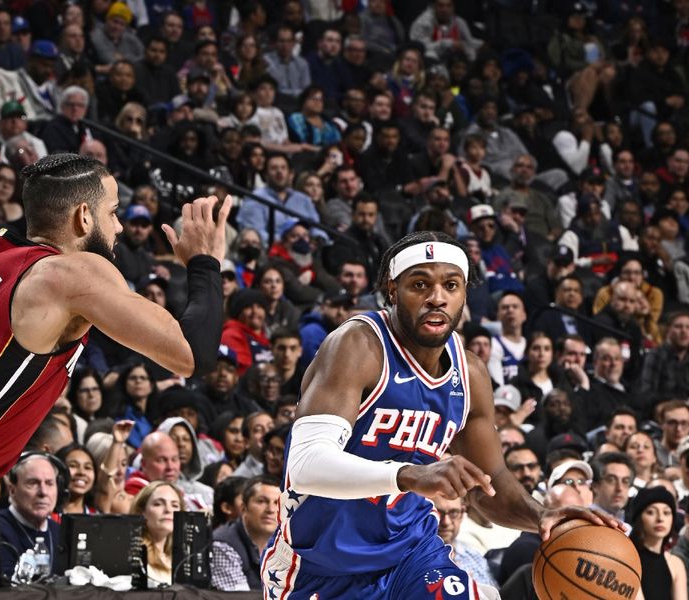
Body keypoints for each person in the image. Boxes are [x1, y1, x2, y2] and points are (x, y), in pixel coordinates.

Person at [261, 231, 623, 599]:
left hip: (412, 554)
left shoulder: (471, 375)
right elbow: (305, 466)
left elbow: (489, 482)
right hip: (321, 565)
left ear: (464, 294)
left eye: (451, 285)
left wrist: (541, 515)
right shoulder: (358, 345)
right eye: (420, 285)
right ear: (392, 290)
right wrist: (409, 475)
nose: (437, 298)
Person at [0, 153, 229, 597]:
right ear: (83, 215)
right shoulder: (70, 272)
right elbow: (191, 356)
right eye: (112, 213)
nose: (116, 229)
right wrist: (206, 262)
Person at [211, 474, 280, 591]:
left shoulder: (288, 541)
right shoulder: (223, 544)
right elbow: (238, 597)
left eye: (277, 503)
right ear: (243, 508)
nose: (271, 510)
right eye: (262, 501)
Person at [0, 454, 62, 578]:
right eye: (33, 483)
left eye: (49, 483)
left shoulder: (61, 532)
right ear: (12, 490)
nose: (43, 492)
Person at [627, 486, 687, 600]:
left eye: (666, 512)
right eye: (651, 512)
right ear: (639, 518)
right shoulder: (627, 559)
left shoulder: (676, 563)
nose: (660, 518)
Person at [130, 481, 184, 586]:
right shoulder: (133, 557)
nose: (168, 510)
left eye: (175, 505)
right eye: (158, 504)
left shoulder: (183, 558)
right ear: (142, 512)